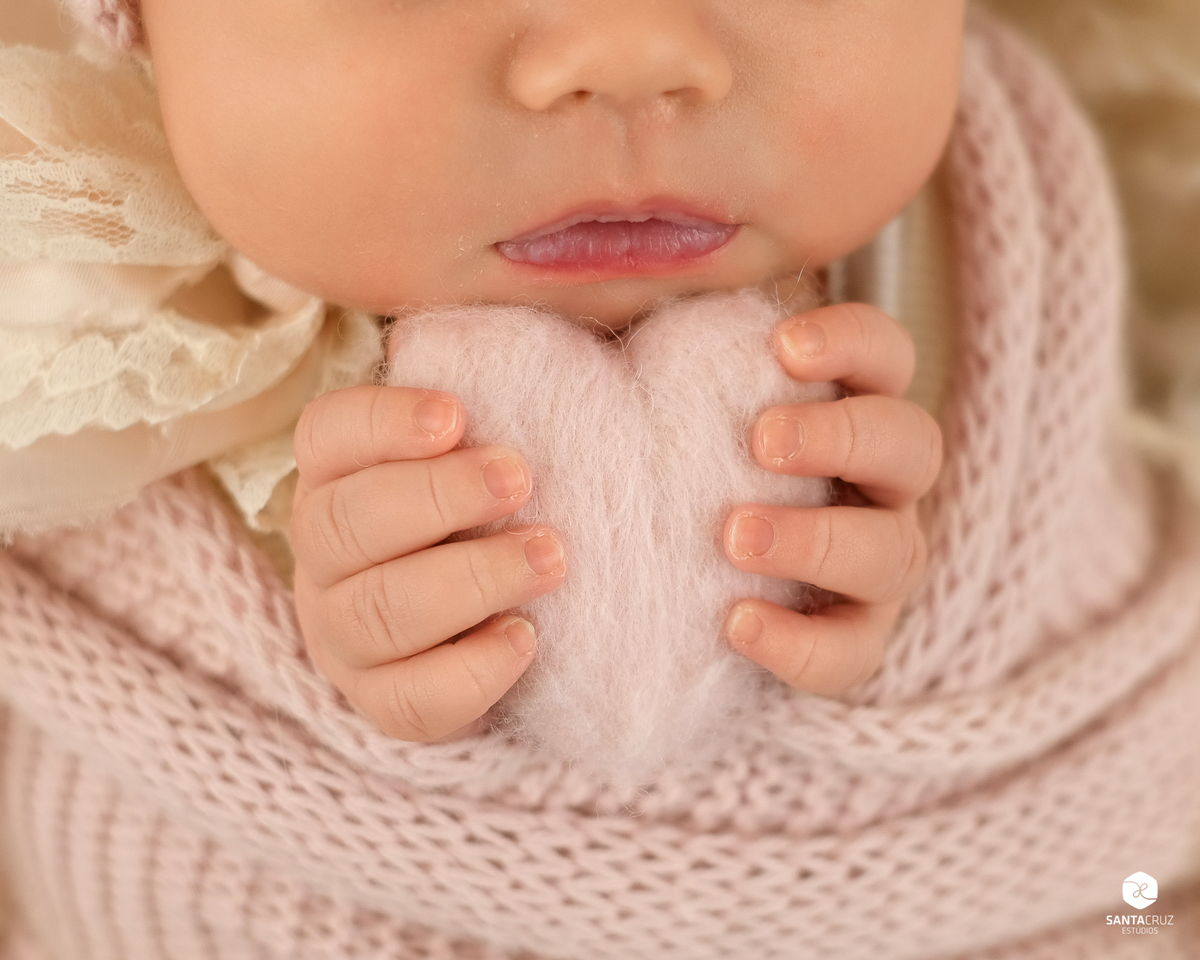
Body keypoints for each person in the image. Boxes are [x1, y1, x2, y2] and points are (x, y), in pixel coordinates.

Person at [0, 0, 1197, 957]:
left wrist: (885, 553)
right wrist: (371, 631)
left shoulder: (992, 279)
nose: (628, 56)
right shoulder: (103, 329)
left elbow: (1100, 738)